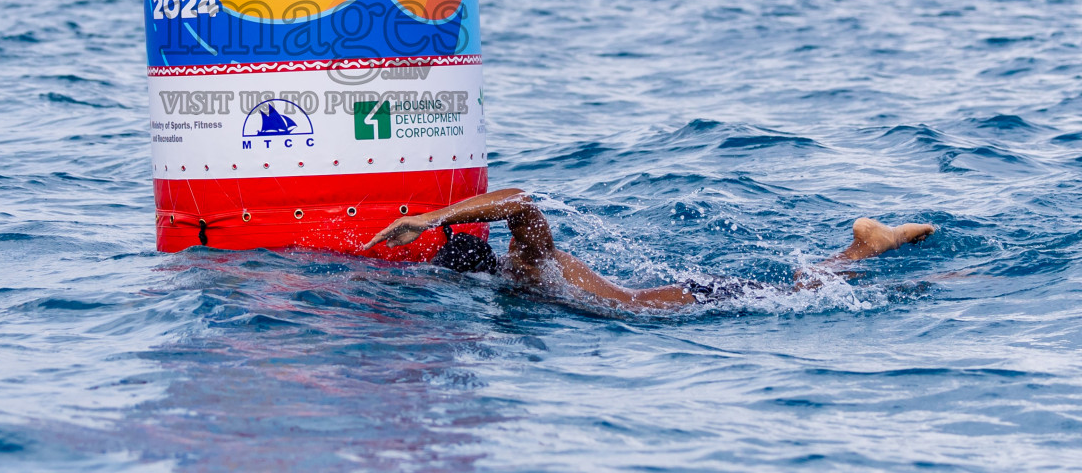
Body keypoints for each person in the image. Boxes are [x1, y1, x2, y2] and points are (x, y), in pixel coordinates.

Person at [363, 188, 935, 311]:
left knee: (807, 292)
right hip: (678, 297)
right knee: (801, 285)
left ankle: (878, 253)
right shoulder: (522, 271)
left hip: (680, 302)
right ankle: (866, 247)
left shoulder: (526, 263)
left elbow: (523, 203)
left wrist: (434, 217)